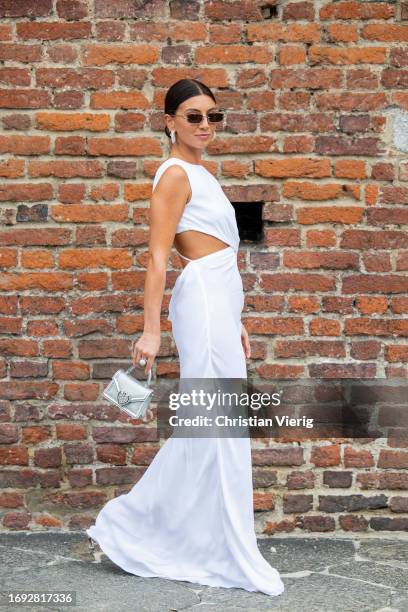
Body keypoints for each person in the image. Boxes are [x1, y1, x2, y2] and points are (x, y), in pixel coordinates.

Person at [86, 78, 284, 597]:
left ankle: (178, 533)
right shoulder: (174, 174)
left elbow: (219, 253)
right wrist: (151, 330)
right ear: (169, 120)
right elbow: (158, 256)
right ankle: (156, 530)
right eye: (193, 116)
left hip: (220, 303)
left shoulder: (202, 173)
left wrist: (237, 317)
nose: (204, 126)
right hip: (201, 302)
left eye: (213, 116)